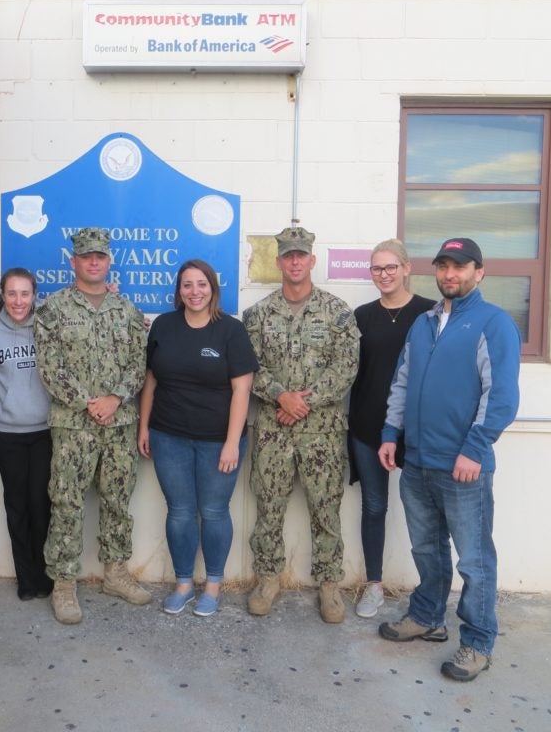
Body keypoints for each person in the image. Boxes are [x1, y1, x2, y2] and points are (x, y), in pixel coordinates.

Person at [377, 237, 520, 682]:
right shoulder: (423, 323)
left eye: (459, 266)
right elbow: (401, 382)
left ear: (479, 271)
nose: (449, 274)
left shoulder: (492, 323)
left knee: (474, 561)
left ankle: (477, 644)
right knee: (426, 548)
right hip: (417, 461)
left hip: (463, 467)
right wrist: (389, 434)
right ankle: (427, 617)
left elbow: (501, 396)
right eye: (442, 266)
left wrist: (475, 450)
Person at [243, 226, 360, 624]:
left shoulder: (337, 312)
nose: (294, 262)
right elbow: (247, 367)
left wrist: (302, 403)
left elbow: (346, 367)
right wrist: (281, 396)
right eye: (288, 256)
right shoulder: (257, 315)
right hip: (273, 431)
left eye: (301, 255)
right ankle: (268, 578)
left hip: (321, 432)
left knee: (326, 509)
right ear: (278, 262)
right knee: (269, 507)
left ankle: (329, 585)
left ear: (312, 260)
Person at [34, 227, 149, 625]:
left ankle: (115, 572)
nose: (94, 262)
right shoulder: (53, 311)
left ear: (109, 260)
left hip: (119, 424)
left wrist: (115, 398)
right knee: (67, 503)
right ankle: (64, 583)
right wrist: (89, 402)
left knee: (117, 501)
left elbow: (139, 363)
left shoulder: (127, 311)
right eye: (86, 257)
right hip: (72, 426)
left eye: (100, 256)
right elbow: (50, 368)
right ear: (74, 262)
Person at [138, 260, 258, 617]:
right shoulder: (163, 325)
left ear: (212, 288)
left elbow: (242, 389)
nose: (194, 292)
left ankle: (213, 587)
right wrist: (144, 427)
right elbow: (150, 381)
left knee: (214, 511)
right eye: (187, 285)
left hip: (217, 441)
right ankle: (184, 584)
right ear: (179, 291)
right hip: (168, 436)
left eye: (201, 284)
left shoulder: (230, 331)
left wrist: (232, 442)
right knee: (180, 513)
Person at [347, 240, 436, 618]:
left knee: (426, 510)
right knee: (375, 505)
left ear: (406, 268)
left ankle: (431, 590)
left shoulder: (430, 313)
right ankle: (374, 584)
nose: (383, 275)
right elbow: (352, 373)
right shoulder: (362, 316)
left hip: (418, 429)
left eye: (390, 267)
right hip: (368, 427)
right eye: (376, 269)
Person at [0, 268, 53, 601]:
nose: (18, 301)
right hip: (8, 433)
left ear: (34, 295)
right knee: (17, 507)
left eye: (24, 293)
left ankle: (46, 577)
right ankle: (27, 581)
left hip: (43, 431)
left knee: (41, 505)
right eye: (11, 293)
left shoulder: (46, 326)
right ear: (2, 295)